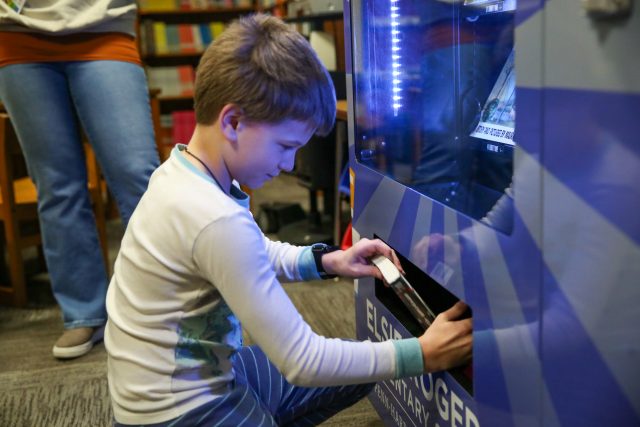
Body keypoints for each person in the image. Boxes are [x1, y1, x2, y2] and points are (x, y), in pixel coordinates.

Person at [105, 14, 472, 426]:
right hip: (177, 412)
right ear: (233, 121)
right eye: (285, 145)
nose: (289, 163)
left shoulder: (182, 173)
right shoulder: (213, 218)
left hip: (180, 381)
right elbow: (303, 361)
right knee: (351, 364)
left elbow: (252, 251)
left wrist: (329, 260)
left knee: (358, 369)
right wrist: (423, 353)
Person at [0, 0, 160, 359]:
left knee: (138, 176)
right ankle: (83, 314)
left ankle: (164, 304)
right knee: (57, 187)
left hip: (103, 27)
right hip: (17, 35)